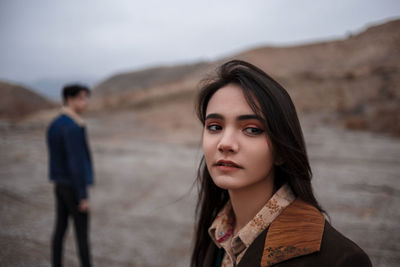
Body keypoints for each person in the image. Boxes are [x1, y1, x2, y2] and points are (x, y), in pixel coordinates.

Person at [191, 60, 372, 267]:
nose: (225, 144)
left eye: (252, 129)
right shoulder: (216, 234)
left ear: (281, 150)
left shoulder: (338, 260)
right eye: (215, 127)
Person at [47, 84, 94, 267]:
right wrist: (82, 195)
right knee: (81, 234)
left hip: (60, 184)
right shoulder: (73, 126)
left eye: (86, 98)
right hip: (73, 186)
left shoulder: (55, 123)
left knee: (60, 229)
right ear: (69, 99)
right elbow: (76, 163)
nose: (86, 102)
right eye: (82, 98)